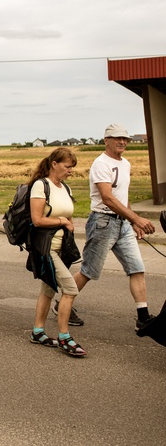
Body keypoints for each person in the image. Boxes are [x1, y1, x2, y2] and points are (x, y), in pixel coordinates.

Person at [63, 124, 156, 329]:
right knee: (89, 271)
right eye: (117, 138)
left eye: (125, 138)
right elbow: (108, 198)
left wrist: (132, 221)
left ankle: (143, 317)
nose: (122, 141)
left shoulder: (126, 164)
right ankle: (62, 305)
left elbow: (123, 197)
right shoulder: (101, 164)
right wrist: (138, 219)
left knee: (137, 268)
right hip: (103, 222)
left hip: (122, 223)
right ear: (106, 140)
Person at [27, 148, 86, 357]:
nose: (71, 171)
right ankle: (64, 338)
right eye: (67, 166)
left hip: (61, 249)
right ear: (54, 164)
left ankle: (37, 332)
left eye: (72, 167)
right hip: (46, 249)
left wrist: (69, 222)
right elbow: (37, 220)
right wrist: (62, 221)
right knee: (70, 289)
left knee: (48, 289)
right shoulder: (40, 186)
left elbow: (66, 214)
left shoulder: (65, 188)